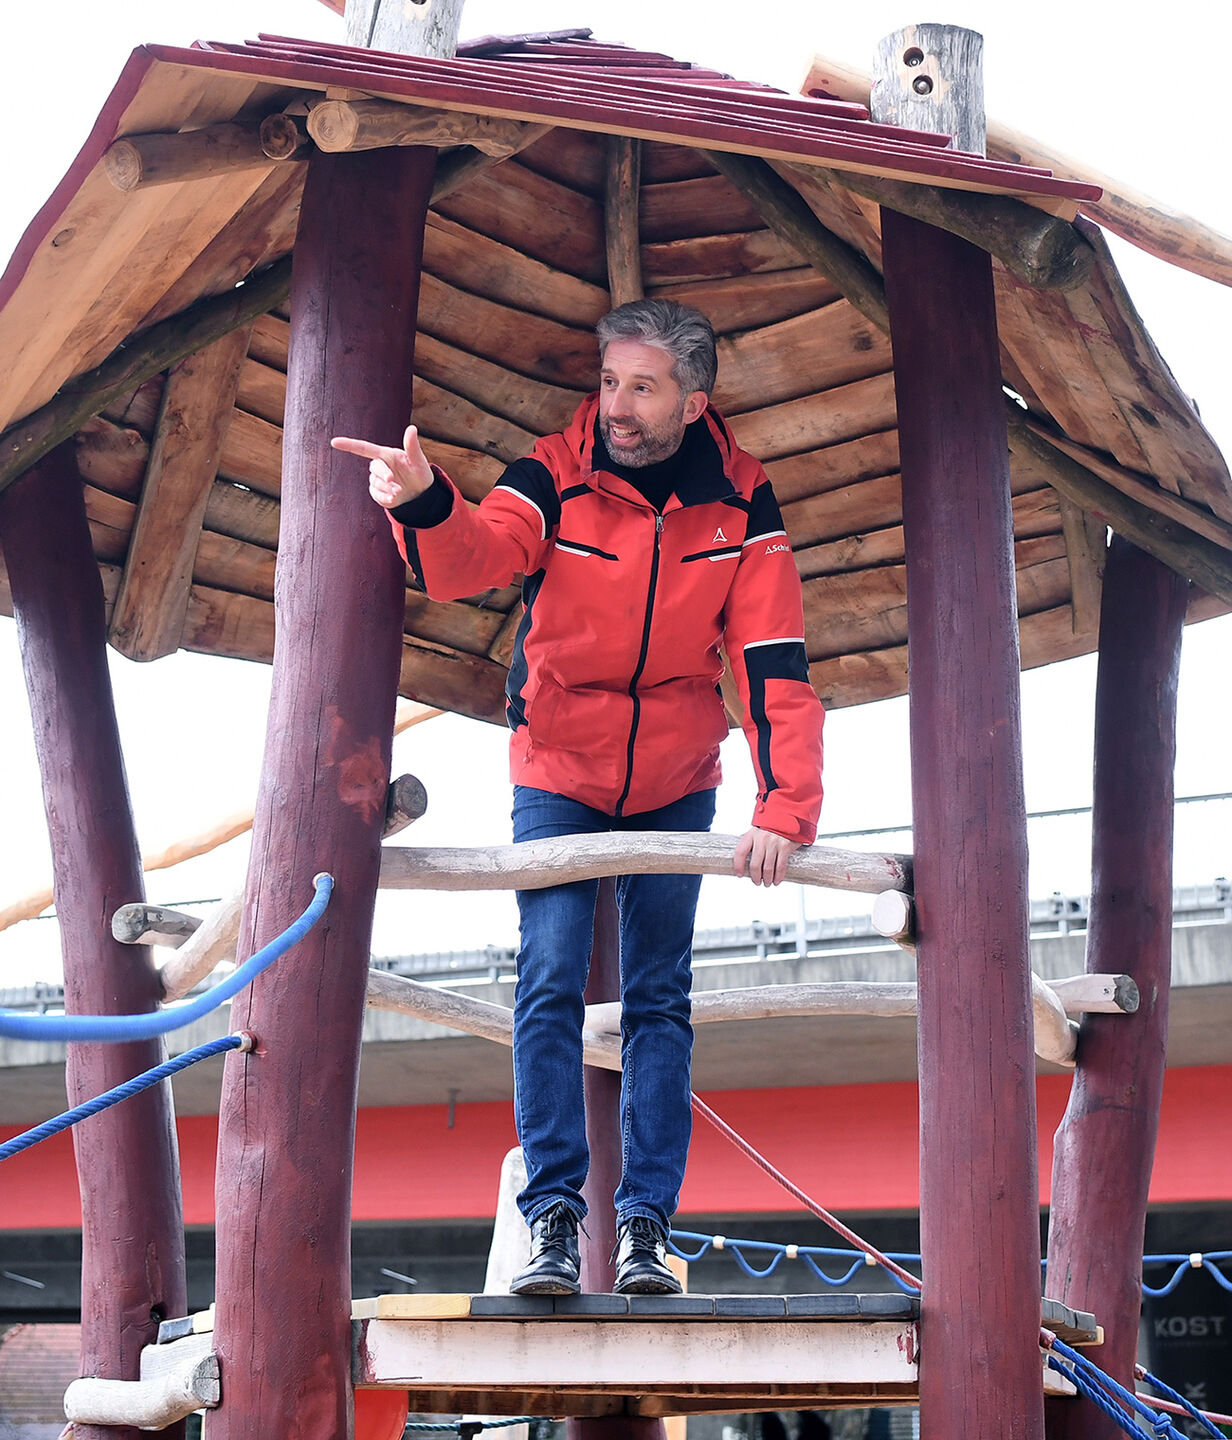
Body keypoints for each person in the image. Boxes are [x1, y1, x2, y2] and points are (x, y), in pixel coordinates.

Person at [333, 299, 823, 1296]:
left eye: (641, 387)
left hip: (676, 777)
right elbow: (478, 555)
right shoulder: (554, 469)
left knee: (658, 997)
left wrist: (784, 807)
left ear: (693, 402)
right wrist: (422, 500)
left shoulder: (742, 500)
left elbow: (772, 660)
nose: (617, 406)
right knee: (550, 976)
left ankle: (644, 1227)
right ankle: (553, 1216)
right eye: (608, 383)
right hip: (556, 767)